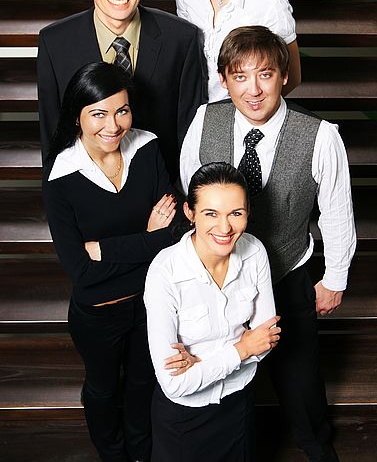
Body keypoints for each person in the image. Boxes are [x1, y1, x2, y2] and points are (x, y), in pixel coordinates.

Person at [180, 26, 356, 462]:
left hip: (287, 272)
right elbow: (192, 190)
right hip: (218, 276)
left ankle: (316, 444)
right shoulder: (206, 119)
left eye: (265, 75)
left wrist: (334, 278)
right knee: (223, 372)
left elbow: (336, 211)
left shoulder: (320, 135)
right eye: (240, 77)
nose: (253, 90)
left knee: (299, 378)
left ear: (283, 76)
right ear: (225, 79)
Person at [42, 62, 179, 462]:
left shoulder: (147, 147)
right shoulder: (61, 176)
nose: (113, 125)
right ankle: (112, 455)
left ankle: (140, 453)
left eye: (122, 110)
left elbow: (173, 235)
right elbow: (82, 272)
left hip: (152, 301)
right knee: (103, 390)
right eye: (98, 113)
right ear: (78, 116)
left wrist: (105, 248)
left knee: (143, 384)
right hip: (100, 314)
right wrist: (149, 239)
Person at [37, 0, 206, 181]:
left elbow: (191, 137)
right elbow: (54, 139)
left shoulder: (182, 39)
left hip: (164, 197)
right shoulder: (55, 43)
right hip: (88, 198)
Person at [144, 162, 280, 462]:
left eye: (236, 213)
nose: (225, 227)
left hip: (239, 401)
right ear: (189, 213)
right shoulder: (164, 271)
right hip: (184, 418)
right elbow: (175, 382)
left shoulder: (254, 251)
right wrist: (241, 348)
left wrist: (201, 362)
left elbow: (267, 341)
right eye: (211, 214)